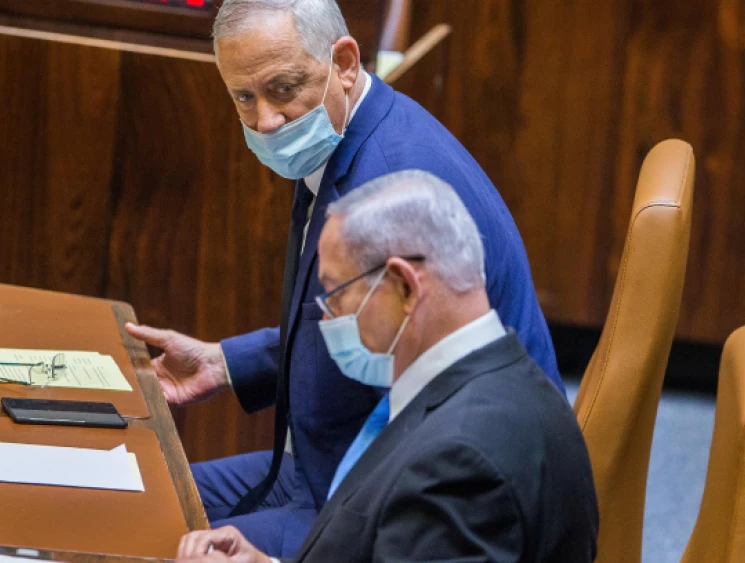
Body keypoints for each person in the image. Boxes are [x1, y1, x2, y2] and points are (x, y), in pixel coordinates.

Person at [124, 0, 564, 555]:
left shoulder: (388, 183)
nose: (265, 121)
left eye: (282, 89)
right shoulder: (349, 131)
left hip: (408, 491)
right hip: (332, 463)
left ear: (346, 62)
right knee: (136, 499)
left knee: (152, 540)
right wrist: (225, 363)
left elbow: (434, 449)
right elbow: (361, 329)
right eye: (244, 97)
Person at [172, 171, 598, 563]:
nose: (329, 319)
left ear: (405, 287)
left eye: (335, 294)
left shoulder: (460, 462)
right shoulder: (501, 380)